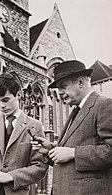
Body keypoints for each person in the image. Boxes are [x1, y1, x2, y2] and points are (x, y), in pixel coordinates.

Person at [32, 60, 112, 195]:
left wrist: (73, 153)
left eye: (63, 86)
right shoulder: (76, 111)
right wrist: (49, 150)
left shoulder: (104, 105)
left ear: (80, 82)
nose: (60, 93)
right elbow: (68, 160)